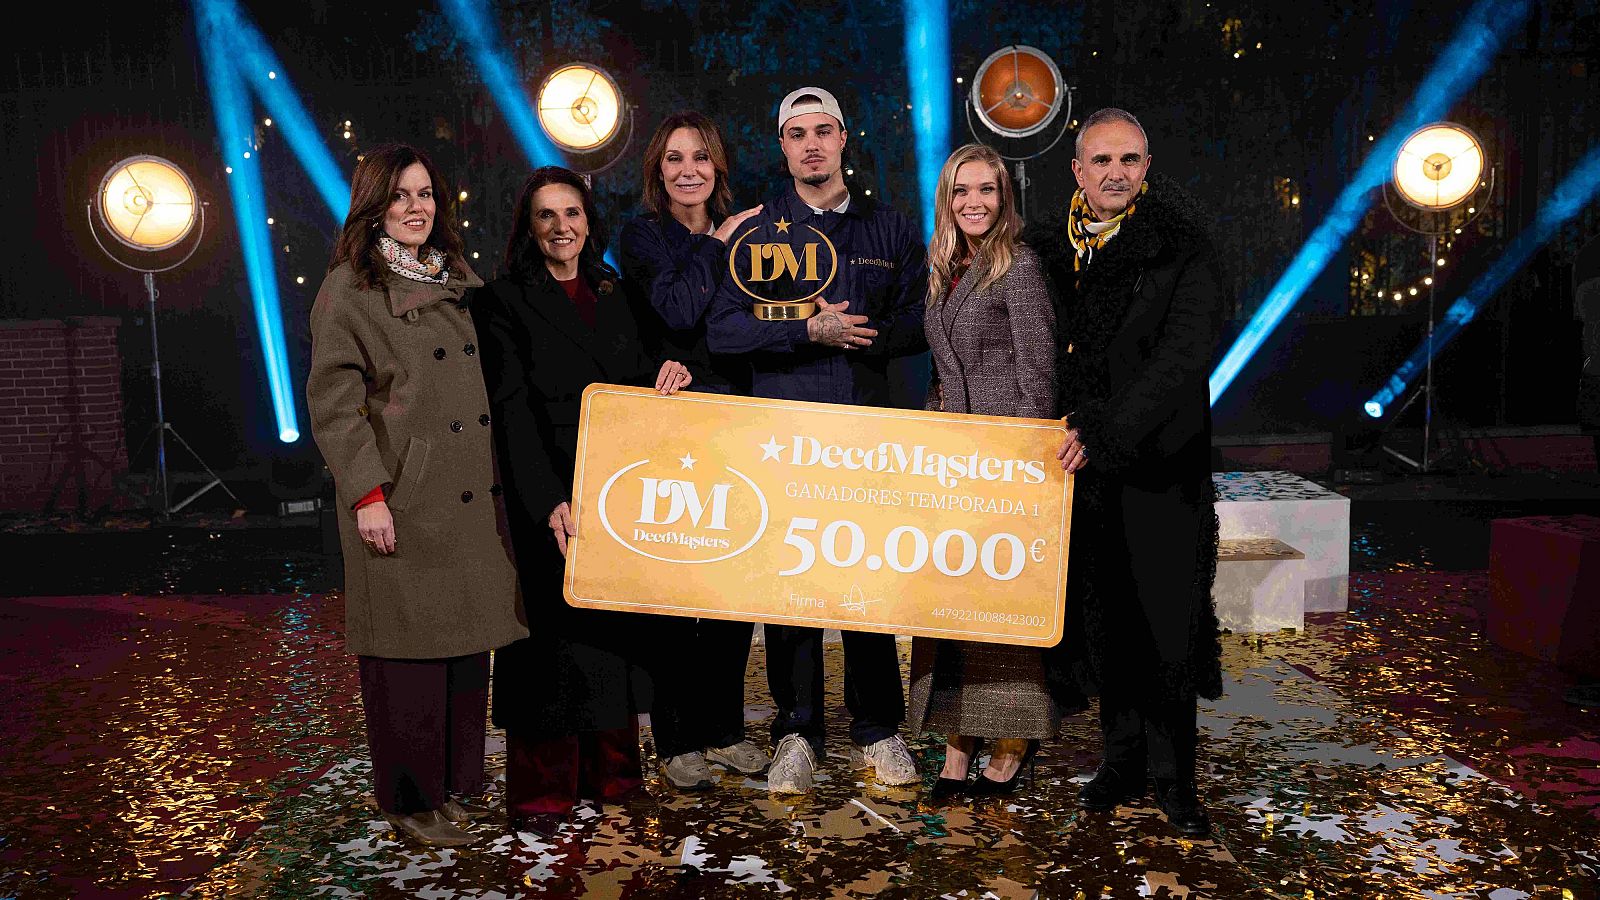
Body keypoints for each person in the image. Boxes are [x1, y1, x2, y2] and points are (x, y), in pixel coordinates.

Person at [705, 86, 929, 795]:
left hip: (865, 436)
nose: (811, 145)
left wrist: (862, 334)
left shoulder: (888, 229)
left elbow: (922, 315)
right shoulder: (755, 233)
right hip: (784, 438)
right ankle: (797, 732)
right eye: (797, 133)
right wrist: (806, 329)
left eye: (823, 131)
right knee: (792, 588)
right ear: (782, 146)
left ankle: (878, 729)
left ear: (842, 138)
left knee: (867, 584)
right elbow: (724, 330)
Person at [306, 143, 529, 848]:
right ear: (373, 206)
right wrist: (367, 494)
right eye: (400, 195)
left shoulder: (456, 275)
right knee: (405, 655)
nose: (415, 207)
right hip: (402, 494)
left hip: (467, 492)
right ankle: (410, 800)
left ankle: (457, 786)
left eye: (425, 193)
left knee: (464, 650)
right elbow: (336, 405)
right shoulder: (350, 288)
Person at [1023, 108, 1227, 836]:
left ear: (1147, 168)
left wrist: (1105, 431)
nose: (1116, 173)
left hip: (1161, 466)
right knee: (1105, 619)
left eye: (1130, 160)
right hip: (1085, 471)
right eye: (1102, 160)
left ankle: (1175, 780)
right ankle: (1121, 761)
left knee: (1167, 623)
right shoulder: (1049, 249)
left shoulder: (1183, 247)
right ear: (1077, 171)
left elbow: (1181, 359)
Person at [474, 167, 693, 836]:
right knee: (552, 647)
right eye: (546, 215)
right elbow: (511, 410)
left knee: (613, 640)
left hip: (616, 487)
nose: (561, 226)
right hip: (549, 489)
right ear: (529, 226)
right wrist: (547, 501)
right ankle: (544, 790)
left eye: (572, 213)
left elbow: (654, 364)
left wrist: (673, 368)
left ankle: (616, 775)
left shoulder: (616, 291)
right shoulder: (501, 299)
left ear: (588, 222)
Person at [618, 112, 770, 791]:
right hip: (672, 426)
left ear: (718, 166)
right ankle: (677, 737)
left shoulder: (748, 232)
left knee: (733, 590)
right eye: (675, 158)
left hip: (737, 420)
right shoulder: (643, 235)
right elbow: (678, 311)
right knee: (678, 592)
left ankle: (725, 730)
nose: (689, 170)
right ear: (658, 169)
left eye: (701, 157)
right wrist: (717, 242)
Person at [905, 143, 1059, 803]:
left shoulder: (1018, 264)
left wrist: (1022, 465)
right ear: (948, 199)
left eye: (986, 190)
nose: (974, 202)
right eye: (961, 191)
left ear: (1003, 197)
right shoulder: (945, 266)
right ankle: (957, 743)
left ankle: (1010, 743)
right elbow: (945, 371)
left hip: (1004, 462)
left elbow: (1039, 372)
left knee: (1000, 609)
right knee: (951, 609)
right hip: (954, 463)